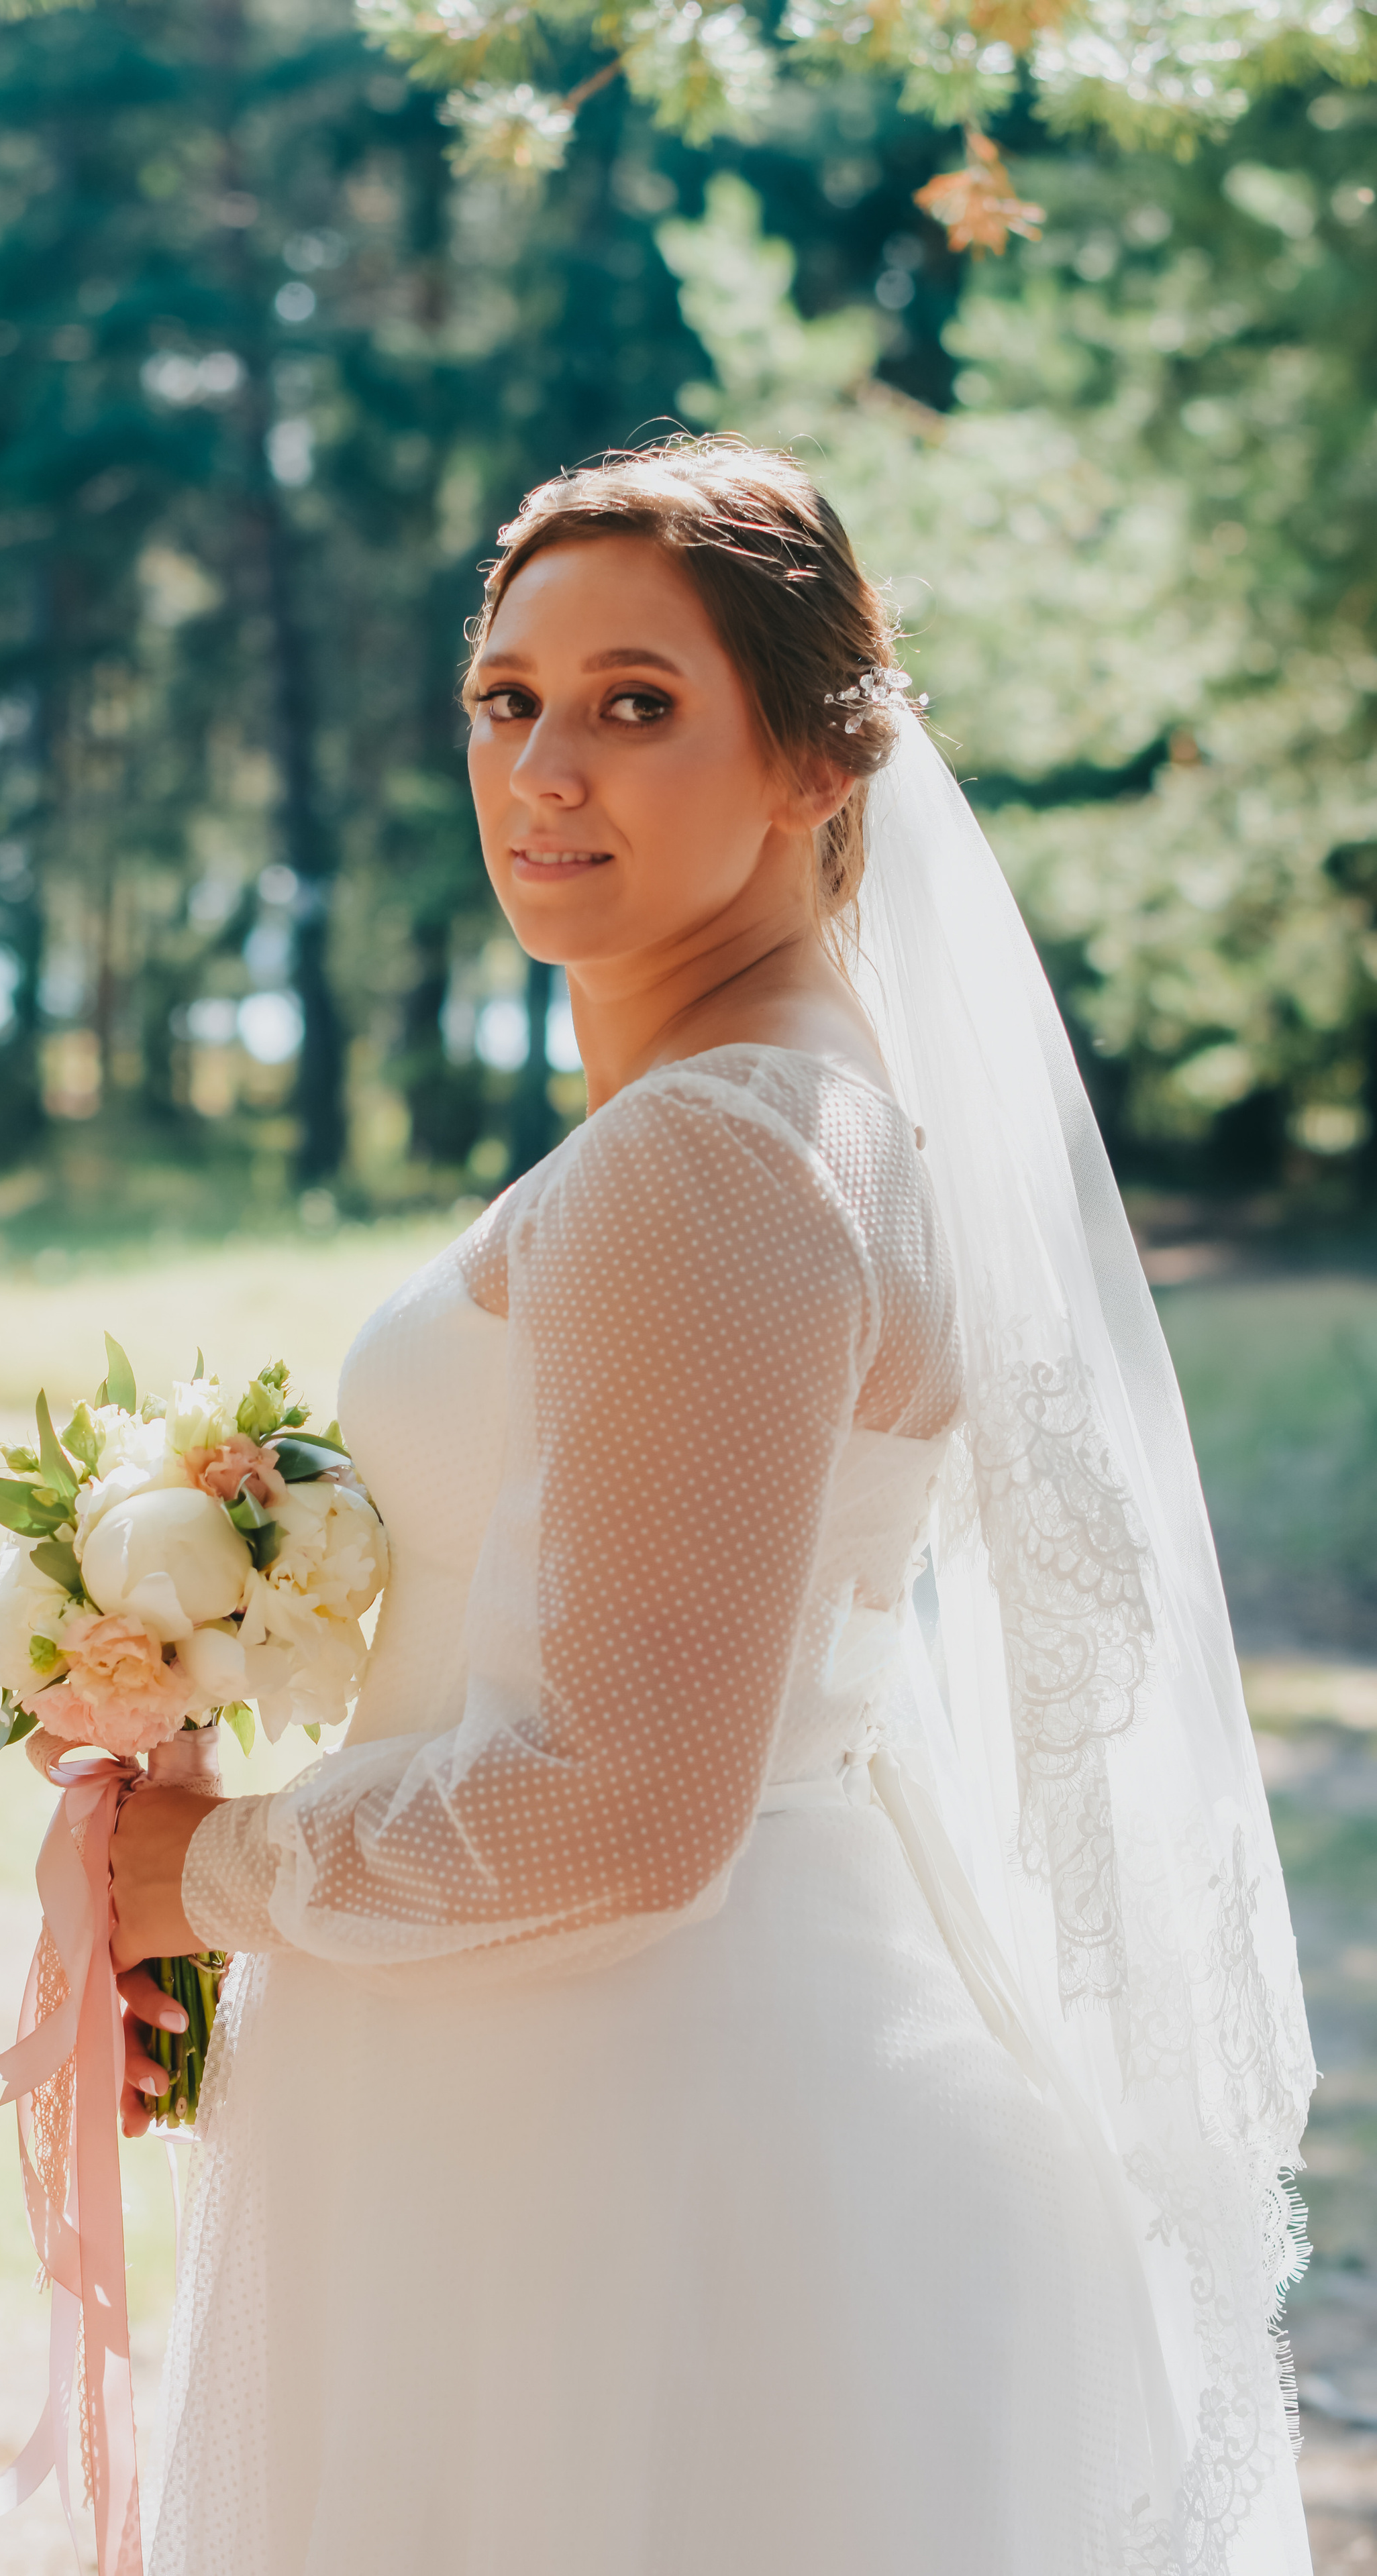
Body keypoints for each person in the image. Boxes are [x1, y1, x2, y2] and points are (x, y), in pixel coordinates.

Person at [109, 437, 1317, 2575]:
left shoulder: (722, 1154)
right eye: (509, 698)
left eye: (636, 703)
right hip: (596, 2104)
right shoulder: (790, 1113)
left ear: (817, 765)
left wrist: (194, 1875)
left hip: (638, 2157)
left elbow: (633, 1804)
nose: (545, 766)